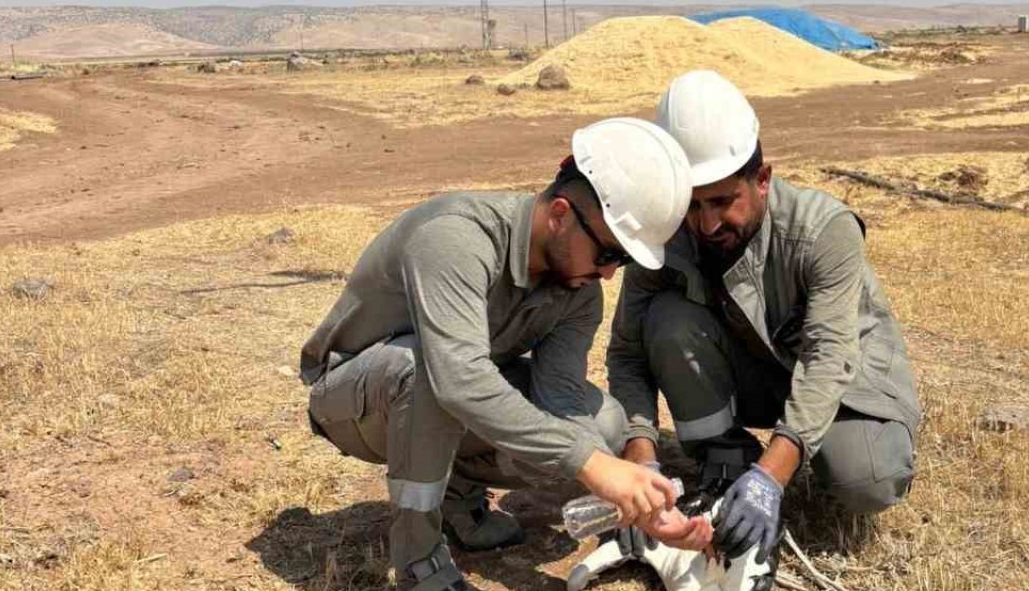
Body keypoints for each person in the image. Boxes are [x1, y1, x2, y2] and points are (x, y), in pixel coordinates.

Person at [298, 117, 704, 591]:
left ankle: (458, 493)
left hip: (443, 396)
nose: (610, 275)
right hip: (355, 400)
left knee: (604, 423)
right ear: (558, 215)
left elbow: (561, 397)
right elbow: (459, 379)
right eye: (607, 254)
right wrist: (592, 465)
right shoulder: (456, 237)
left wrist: (637, 507)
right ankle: (419, 559)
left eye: (623, 261)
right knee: (427, 371)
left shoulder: (578, 291)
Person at [605, 71, 923, 578]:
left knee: (867, 480)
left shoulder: (824, 230)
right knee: (666, 319)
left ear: (762, 180)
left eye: (721, 201)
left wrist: (771, 478)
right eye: (691, 204)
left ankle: (802, 453)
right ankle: (724, 453)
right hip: (753, 369)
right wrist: (639, 459)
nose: (705, 224)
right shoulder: (666, 238)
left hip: (845, 382)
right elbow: (626, 354)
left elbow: (828, 357)